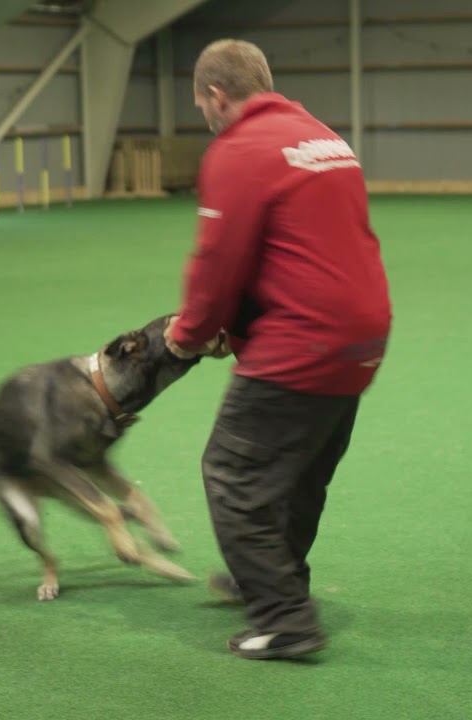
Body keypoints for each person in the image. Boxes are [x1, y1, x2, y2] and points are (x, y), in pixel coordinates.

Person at [163, 38, 393, 661]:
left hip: (304, 338)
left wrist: (185, 335)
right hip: (362, 335)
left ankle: (286, 620)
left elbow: (219, 261)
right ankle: (265, 576)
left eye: (201, 104)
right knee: (299, 471)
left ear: (216, 96)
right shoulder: (322, 137)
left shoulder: (239, 149)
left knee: (233, 473)